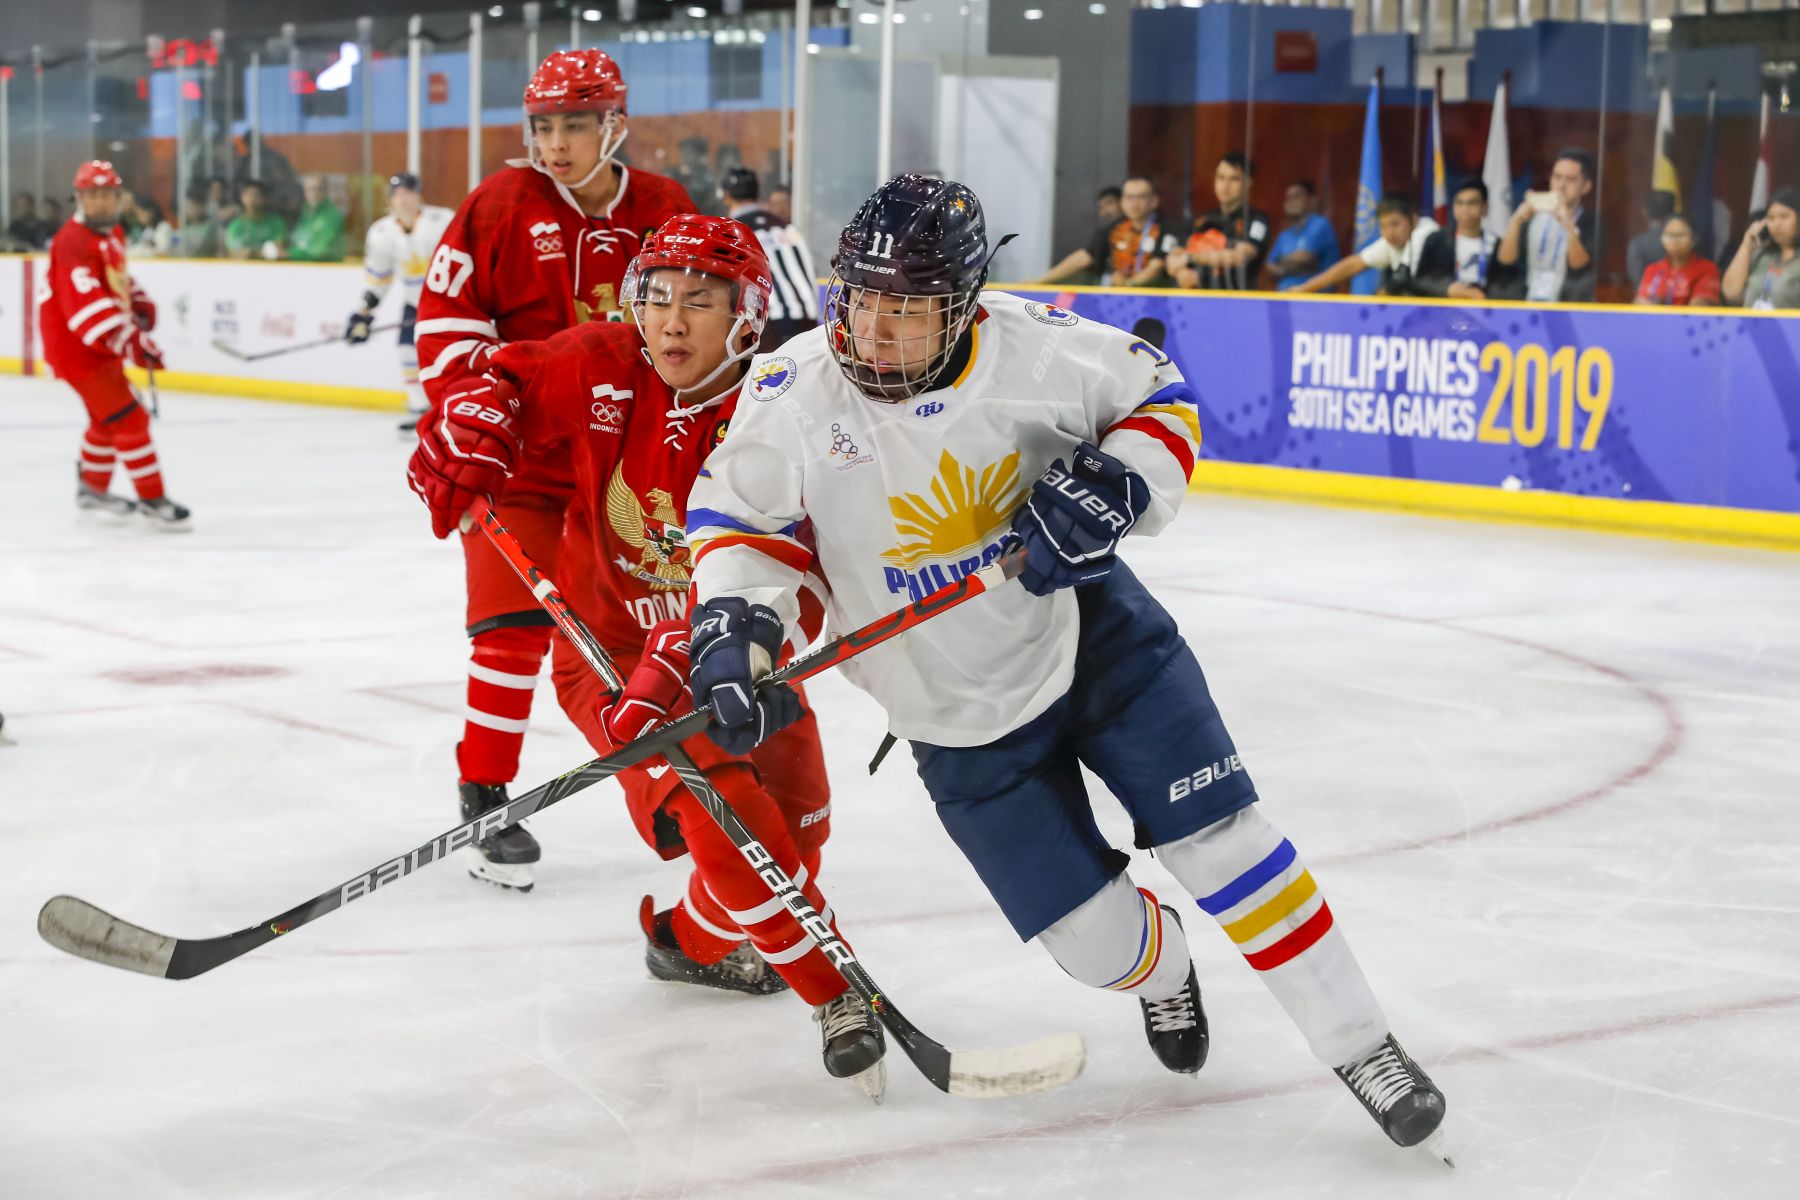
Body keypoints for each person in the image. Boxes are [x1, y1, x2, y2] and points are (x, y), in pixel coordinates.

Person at [685, 173, 1449, 1153]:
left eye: (906, 309)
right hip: (949, 710)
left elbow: (1160, 401)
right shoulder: (792, 392)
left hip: (1097, 640)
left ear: (963, 305)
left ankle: (1365, 1047)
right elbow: (743, 532)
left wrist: (1115, 485)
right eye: (861, 299)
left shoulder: (1035, 349)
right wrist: (736, 630)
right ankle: (1165, 970)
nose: (871, 331)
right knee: (1095, 949)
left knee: (1225, 841)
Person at [407, 215, 867, 1088]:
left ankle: (684, 943)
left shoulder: (786, 406)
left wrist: (729, 641)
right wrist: (468, 422)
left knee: (800, 831)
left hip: (737, 651)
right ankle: (835, 993)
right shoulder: (601, 365)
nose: (670, 322)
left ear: (746, 315)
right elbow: (501, 379)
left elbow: (811, 568)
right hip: (610, 654)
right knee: (728, 814)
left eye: (699, 301)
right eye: (655, 298)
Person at [409, 48, 696, 892]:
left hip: (626, 463)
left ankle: (675, 790)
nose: (556, 143)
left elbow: (706, 323)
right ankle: (484, 792)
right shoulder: (500, 204)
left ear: (615, 124)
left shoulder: (664, 208)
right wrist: (475, 412)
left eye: (575, 123)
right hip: (522, 461)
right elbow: (446, 324)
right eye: (543, 126)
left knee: (636, 637)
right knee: (512, 631)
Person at [37, 161, 189, 530]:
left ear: (119, 197)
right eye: (92, 195)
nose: (100, 202)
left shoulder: (112, 232)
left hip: (98, 349)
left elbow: (115, 278)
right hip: (78, 351)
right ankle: (153, 499)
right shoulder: (71, 242)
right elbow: (85, 305)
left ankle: (92, 489)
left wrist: (137, 300)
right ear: (79, 198)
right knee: (130, 417)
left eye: (107, 194)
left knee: (105, 420)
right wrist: (132, 342)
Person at [345, 173, 455, 433]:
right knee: (407, 350)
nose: (403, 200)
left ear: (419, 196)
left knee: (450, 356)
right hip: (415, 304)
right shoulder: (381, 233)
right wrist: (363, 314)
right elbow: (378, 278)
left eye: (408, 193)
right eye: (397, 195)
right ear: (390, 200)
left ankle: (452, 408)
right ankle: (420, 410)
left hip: (449, 303)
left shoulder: (442, 221)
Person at [720, 165, 820, 350]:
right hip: (808, 321)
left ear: (726, 197)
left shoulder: (735, 231)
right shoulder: (788, 228)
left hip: (769, 325)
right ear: (757, 194)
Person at [1497, 148, 1599, 303]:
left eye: (1570, 179)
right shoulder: (1532, 217)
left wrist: (1568, 225)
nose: (1561, 185)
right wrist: (1515, 221)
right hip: (1528, 299)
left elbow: (1580, 267)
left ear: (1585, 186)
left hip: (1567, 303)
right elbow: (1506, 261)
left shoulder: (1592, 221)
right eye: (1557, 177)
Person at [1037, 175, 1180, 287]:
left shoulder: (1167, 229)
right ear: (1122, 202)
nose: (1135, 203)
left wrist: (1128, 285)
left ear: (1154, 201)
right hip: (1112, 299)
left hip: (1153, 300)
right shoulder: (1113, 229)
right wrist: (1040, 281)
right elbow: (1084, 257)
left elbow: (1156, 266)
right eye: (1129, 197)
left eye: (1141, 197)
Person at [1290, 194, 1438, 295]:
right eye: (1383, 226)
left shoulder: (1426, 233)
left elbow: (1401, 280)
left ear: (1413, 220)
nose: (1390, 233)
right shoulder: (1395, 240)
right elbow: (1353, 264)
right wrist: (1304, 288)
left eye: (1395, 224)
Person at [1168, 152, 1273, 291]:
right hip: (1196, 296)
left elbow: (1240, 257)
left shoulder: (1256, 220)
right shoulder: (1202, 219)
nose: (1225, 185)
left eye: (1234, 179)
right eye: (1221, 178)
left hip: (1235, 297)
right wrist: (1182, 273)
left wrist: (1191, 258)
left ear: (1248, 182)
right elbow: (1173, 258)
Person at [1411, 179, 1517, 300]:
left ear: (1485, 207)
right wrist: (1447, 289)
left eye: (1472, 203)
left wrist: (1485, 296)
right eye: (1459, 203)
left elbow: (1509, 284)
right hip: (1445, 308)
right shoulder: (1436, 240)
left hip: (1485, 307)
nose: (1465, 209)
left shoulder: (1498, 245)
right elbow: (1418, 282)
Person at [1722, 187, 1800, 310]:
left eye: (1784, 217)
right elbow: (1731, 293)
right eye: (1771, 218)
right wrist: (1746, 246)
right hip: (1752, 322)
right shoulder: (1760, 255)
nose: (1776, 224)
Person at [1263, 180, 1340, 292]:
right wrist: (1296, 266)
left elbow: (1304, 258)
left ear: (1311, 200)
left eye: (1297, 197)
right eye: (1288, 198)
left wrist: (1282, 261)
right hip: (1284, 294)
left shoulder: (1320, 224)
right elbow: (1269, 266)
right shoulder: (1284, 235)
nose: (1291, 202)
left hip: (1315, 295)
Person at [1635, 213, 1720, 307]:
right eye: (1670, 235)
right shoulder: (1652, 269)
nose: (1675, 241)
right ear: (1661, 239)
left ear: (1694, 239)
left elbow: (1699, 307)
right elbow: (1640, 303)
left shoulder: (1707, 269)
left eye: (1681, 235)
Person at [289, 173, 347, 262]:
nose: (314, 193)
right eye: (310, 189)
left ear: (326, 191)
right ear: (304, 192)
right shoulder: (303, 213)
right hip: (301, 266)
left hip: (327, 267)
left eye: (319, 189)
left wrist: (289, 254)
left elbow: (318, 251)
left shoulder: (332, 216)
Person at [1626, 190, 1676, 293]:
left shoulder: (1638, 244)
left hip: (1648, 300)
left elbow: (1639, 282)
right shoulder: (1686, 239)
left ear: (1645, 212)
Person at [224, 180, 287, 260]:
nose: (251, 199)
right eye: (247, 194)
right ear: (242, 197)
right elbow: (234, 253)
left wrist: (251, 253)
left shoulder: (276, 223)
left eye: (255, 195)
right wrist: (259, 253)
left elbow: (278, 251)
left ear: (264, 198)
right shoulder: (235, 226)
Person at [177, 188, 225, 258]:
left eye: (193, 206)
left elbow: (196, 249)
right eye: (188, 206)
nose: (190, 210)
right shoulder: (187, 227)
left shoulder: (211, 227)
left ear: (203, 206)